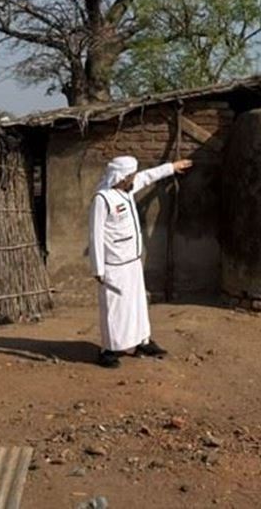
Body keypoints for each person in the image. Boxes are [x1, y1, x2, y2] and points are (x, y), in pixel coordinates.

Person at [89, 155, 193, 369]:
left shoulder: (127, 191)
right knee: (115, 308)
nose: (133, 179)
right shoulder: (103, 198)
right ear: (121, 177)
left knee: (136, 305)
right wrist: (98, 268)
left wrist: (172, 167)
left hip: (132, 262)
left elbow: (148, 177)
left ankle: (141, 342)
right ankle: (109, 349)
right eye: (130, 176)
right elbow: (95, 235)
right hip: (114, 265)